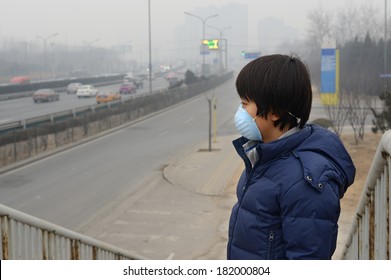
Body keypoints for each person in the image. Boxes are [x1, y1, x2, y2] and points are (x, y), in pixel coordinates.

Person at [227, 54, 356, 260]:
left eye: (245, 104)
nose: (240, 112)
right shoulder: (263, 157)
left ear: (275, 112)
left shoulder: (305, 182)